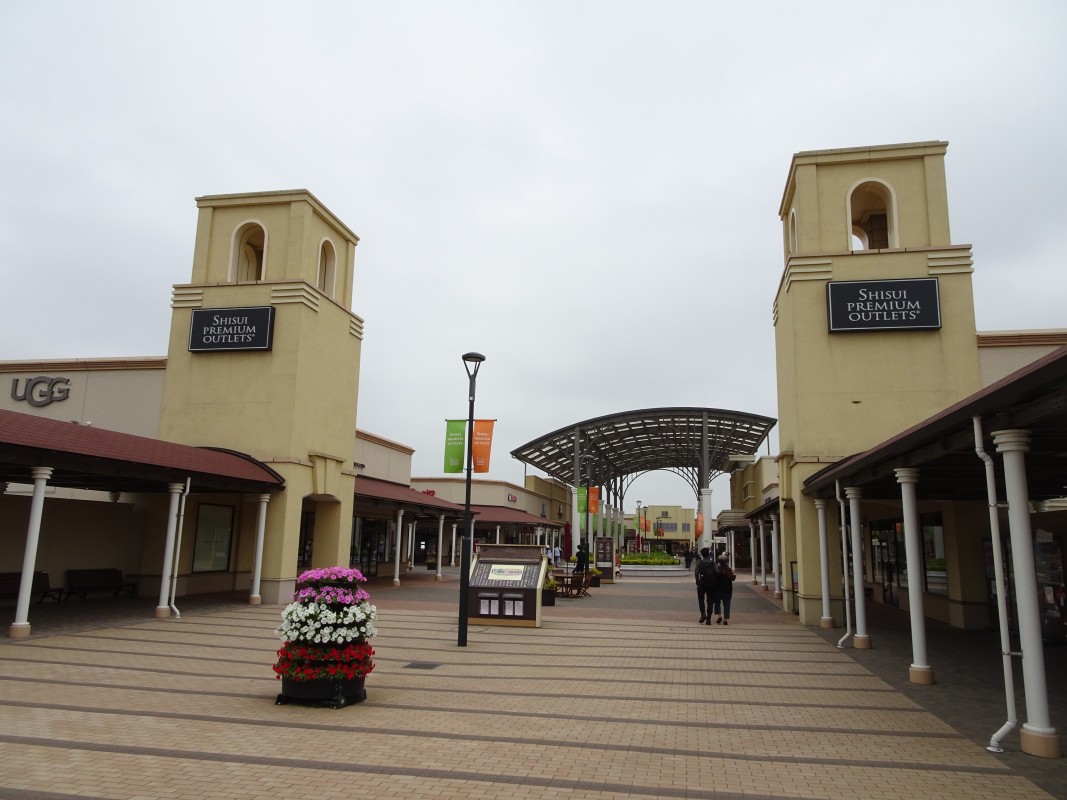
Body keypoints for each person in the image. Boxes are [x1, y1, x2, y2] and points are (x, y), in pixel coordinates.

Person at [694, 547, 718, 625]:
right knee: (710, 601)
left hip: (702, 584)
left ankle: (703, 614)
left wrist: (698, 582)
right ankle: (709, 618)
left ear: (701, 554)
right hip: (711, 584)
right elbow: (717, 572)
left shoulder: (699, 563)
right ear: (708, 554)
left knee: (701, 599)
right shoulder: (713, 563)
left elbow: (696, 573)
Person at [712, 553, 736, 625]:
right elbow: (732, 578)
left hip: (717, 589)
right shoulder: (728, 570)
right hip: (727, 590)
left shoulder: (716, 569)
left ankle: (719, 616)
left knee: (716, 603)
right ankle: (725, 620)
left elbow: (713, 579)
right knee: (727, 604)